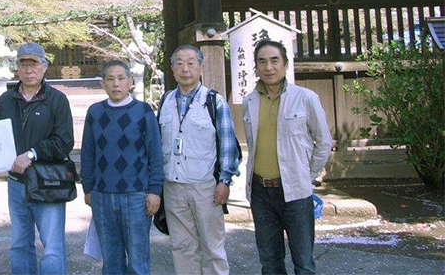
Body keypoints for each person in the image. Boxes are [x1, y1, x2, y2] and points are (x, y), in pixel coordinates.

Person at [0, 42, 74, 275]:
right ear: (16, 68)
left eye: (34, 64)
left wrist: (32, 154)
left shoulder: (57, 100)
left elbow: (64, 141)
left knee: (52, 247)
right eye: (23, 64)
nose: (29, 70)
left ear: (44, 67)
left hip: (48, 182)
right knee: (19, 244)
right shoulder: (6, 100)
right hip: (17, 183)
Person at [242, 39, 333, 275]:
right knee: (270, 263)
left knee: (303, 263)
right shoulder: (250, 101)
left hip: (295, 191)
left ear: (285, 64)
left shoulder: (305, 97)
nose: (268, 67)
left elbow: (324, 143)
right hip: (261, 192)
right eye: (262, 62)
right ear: (256, 67)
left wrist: (306, 174)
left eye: (274, 60)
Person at [159, 45, 241, 275]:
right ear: (172, 68)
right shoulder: (166, 100)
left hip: (205, 187)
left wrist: (224, 181)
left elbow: (227, 145)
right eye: (179, 63)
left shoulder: (214, 101)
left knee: (212, 248)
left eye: (191, 63)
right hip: (173, 186)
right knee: (182, 247)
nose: (185, 68)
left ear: (201, 68)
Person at [81, 60, 163, 275]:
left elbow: (155, 154)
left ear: (130, 83)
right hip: (102, 195)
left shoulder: (143, 112)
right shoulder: (95, 113)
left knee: (137, 260)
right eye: (110, 79)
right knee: (111, 260)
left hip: (136, 195)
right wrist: (87, 188)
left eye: (120, 78)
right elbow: (88, 153)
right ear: (103, 84)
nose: (116, 84)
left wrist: (155, 191)